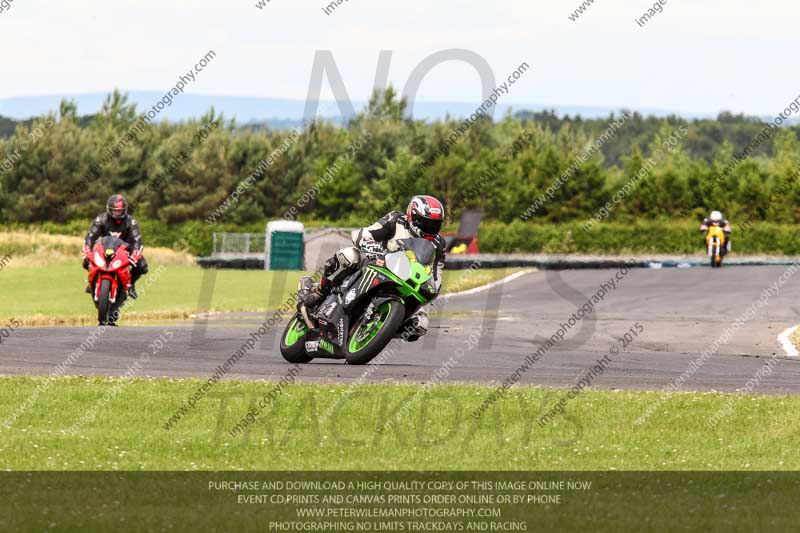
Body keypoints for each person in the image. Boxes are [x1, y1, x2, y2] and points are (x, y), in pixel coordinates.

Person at [298, 195, 447, 341]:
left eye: (435, 225)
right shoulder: (395, 220)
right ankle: (319, 292)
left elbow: (436, 276)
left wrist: (429, 295)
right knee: (348, 255)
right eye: (426, 224)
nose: (431, 229)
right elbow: (364, 234)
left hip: (406, 282)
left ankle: (379, 330)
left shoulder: (439, 244)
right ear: (412, 216)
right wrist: (369, 245)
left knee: (421, 325)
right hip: (376, 263)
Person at [82, 194, 148, 299]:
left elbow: (137, 240)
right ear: (109, 209)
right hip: (105, 247)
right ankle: (92, 283)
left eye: (120, 211)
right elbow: (90, 236)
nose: (117, 213)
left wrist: (136, 253)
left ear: (125, 210)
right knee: (86, 261)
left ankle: (130, 284)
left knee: (142, 267)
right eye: (115, 211)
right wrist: (87, 249)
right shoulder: (101, 219)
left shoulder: (131, 222)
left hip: (126, 249)